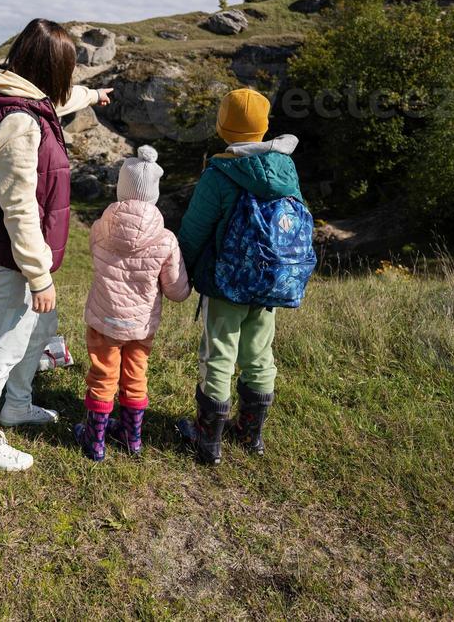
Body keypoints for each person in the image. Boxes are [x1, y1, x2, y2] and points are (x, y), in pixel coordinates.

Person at [0, 18, 112, 472]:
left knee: (36, 331)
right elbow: (19, 207)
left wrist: (93, 96)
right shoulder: (21, 120)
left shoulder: (21, 97)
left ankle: (18, 405)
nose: (71, 80)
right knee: (0, 346)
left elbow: (62, 101)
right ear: (51, 68)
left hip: (22, 252)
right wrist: (38, 275)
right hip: (15, 255)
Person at [175, 88, 301, 464]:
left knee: (219, 352)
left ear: (221, 127)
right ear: (264, 127)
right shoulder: (286, 167)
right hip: (270, 283)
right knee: (260, 352)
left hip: (226, 282)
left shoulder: (219, 172)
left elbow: (196, 229)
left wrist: (181, 267)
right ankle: (251, 434)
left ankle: (208, 437)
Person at [74, 146, 190, 461]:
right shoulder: (166, 239)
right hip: (141, 325)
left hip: (104, 319)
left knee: (103, 375)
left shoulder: (100, 227)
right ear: (154, 194)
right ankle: (132, 437)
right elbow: (177, 291)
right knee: (136, 376)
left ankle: (94, 440)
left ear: (120, 188)